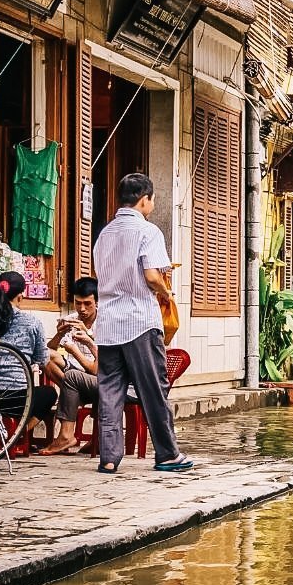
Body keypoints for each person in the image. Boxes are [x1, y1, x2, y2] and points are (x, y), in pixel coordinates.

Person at [93, 173, 191, 473]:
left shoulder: (104, 234)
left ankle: (109, 458)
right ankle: (168, 454)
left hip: (108, 321)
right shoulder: (148, 232)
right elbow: (151, 276)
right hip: (139, 320)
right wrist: (167, 291)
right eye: (152, 199)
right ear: (144, 199)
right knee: (152, 388)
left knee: (109, 390)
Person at [0, 271, 58, 426]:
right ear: (20, 297)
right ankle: (18, 435)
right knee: (50, 393)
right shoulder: (32, 323)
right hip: (17, 400)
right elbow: (42, 360)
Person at [39, 277, 100, 455]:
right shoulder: (71, 318)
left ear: (97, 301)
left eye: (87, 303)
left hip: (96, 376)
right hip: (75, 373)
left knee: (72, 378)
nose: (82, 309)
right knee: (46, 356)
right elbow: (49, 349)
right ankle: (73, 395)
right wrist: (58, 336)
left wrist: (86, 338)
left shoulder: (105, 322)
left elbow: (96, 370)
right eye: (77, 303)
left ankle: (66, 432)